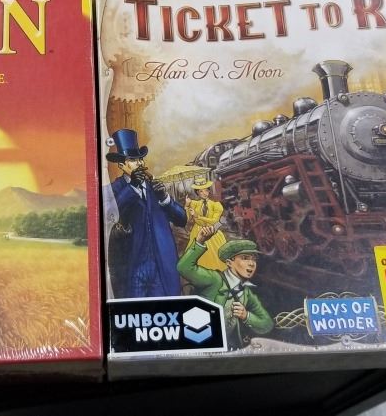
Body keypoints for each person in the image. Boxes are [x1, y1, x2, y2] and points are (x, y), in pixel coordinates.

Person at [106, 129, 187, 298]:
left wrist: (164, 198)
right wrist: (133, 187)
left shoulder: (154, 187)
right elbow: (109, 214)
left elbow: (182, 219)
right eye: (133, 160)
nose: (139, 164)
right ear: (121, 165)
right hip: (132, 267)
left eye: (140, 159)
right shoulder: (114, 189)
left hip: (160, 265)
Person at [178, 226, 273, 349]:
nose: (251, 263)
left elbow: (267, 324)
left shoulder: (246, 293)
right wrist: (200, 241)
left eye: (254, 259)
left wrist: (246, 316)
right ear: (229, 263)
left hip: (226, 349)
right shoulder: (214, 280)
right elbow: (184, 268)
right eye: (245, 258)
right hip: (199, 344)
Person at [184, 175, 227, 272]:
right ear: (197, 193)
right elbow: (187, 218)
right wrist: (187, 205)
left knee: (216, 258)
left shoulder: (216, 205)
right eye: (201, 191)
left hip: (212, 232)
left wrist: (198, 216)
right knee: (197, 258)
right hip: (197, 232)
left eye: (206, 190)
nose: (204, 193)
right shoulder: (194, 204)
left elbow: (214, 221)